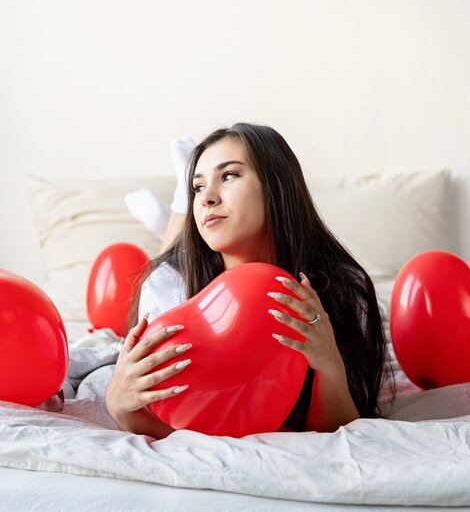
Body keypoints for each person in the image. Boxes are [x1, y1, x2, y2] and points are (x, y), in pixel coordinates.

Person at [106, 123, 390, 439]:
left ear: (276, 186)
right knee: (169, 255)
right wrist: (120, 408)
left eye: (228, 175)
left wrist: (330, 366)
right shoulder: (168, 286)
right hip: (180, 265)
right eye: (197, 187)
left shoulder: (343, 290)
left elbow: (340, 434)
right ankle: (176, 210)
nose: (207, 198)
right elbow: (171, 428)